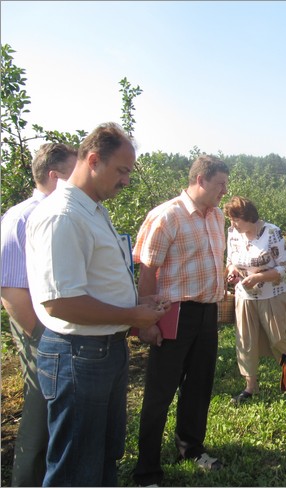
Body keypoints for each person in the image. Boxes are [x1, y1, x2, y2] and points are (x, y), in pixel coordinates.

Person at [25, 123, 169, 487]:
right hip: (79, 354)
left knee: (103, 453)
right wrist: (132, 314)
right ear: (93, 160)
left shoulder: (91, 209)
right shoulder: (63, 216)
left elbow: (92, 281)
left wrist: (136, 301)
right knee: (76, 465)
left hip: (102, 350)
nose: (126, 181)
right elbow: (60, 303)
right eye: (121, 171)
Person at [132, 155, 229, 487]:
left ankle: (191, 448)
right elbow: (147, 271)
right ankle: (147, 470)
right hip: (173, 313)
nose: (224, 191)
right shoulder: (167, 215)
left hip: (207, 312)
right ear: (200, 180)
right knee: (160, 392)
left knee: (199, 386)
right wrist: (146, 321)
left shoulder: (217, 217)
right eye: (220, 184)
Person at [1, 143, 77, 487]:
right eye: (73, 173)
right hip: (42, 335)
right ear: (54, 176)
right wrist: (43, 340)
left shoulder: (67, 215)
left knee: (59, 414)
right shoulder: (22, 217)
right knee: (38, 415)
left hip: (64, 332)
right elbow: (12, 291)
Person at [224, 196, 286, 404]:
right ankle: (250, 386)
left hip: (271, 295)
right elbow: (230, 261)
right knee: (246, 341)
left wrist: (259, 277)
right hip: (245, 297)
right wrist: (232, 273)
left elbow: (284, 268)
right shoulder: (233, 234)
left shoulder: (271, 233)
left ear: (248, 217)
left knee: (279, 339)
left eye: (235, 219)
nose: (232, 224)